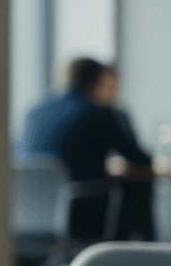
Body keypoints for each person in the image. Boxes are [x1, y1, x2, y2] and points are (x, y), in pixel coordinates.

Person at [20, 57, 156, 241]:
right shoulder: (98, 113)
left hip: (26, 215)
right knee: (137, 182)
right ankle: (140, 249)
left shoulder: (33, 111)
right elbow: (141, 160)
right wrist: (118, 114)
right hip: (78, 214)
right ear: (98, 81)